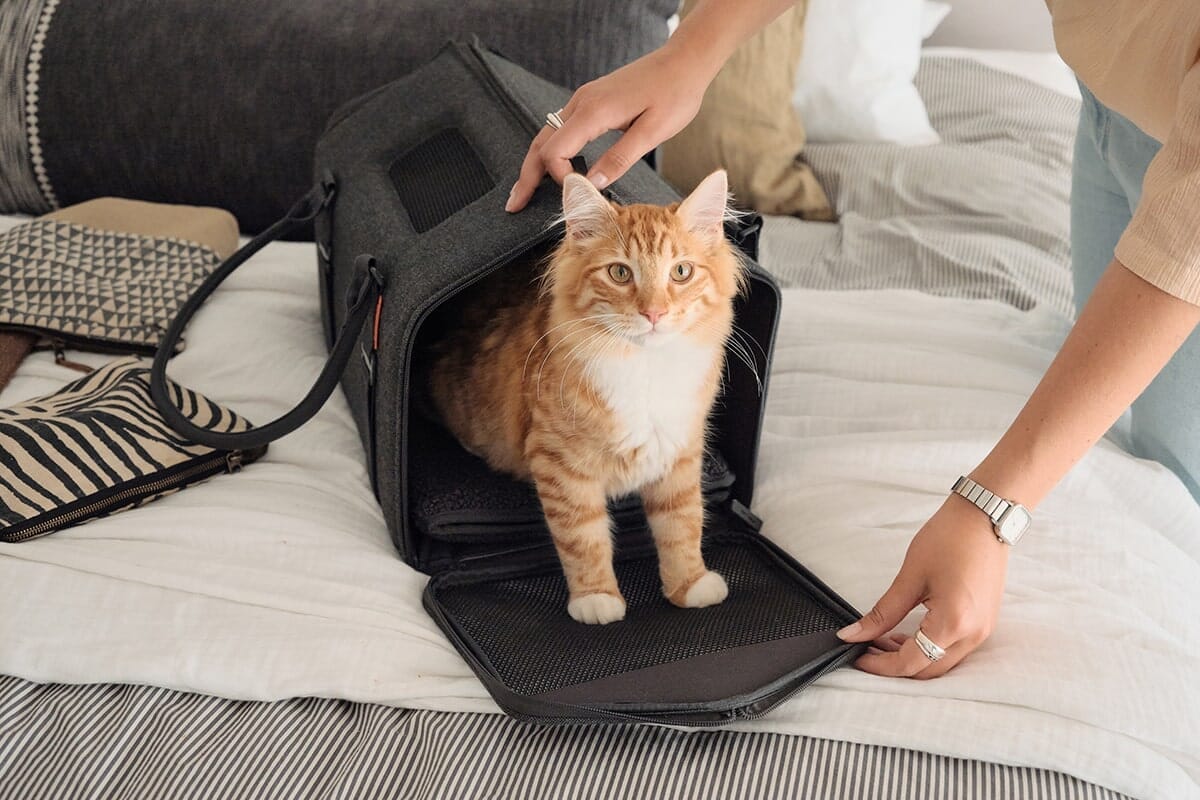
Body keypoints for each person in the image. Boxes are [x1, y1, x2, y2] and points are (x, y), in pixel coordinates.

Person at [507, 0, 1200, 679]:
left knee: (1177, 471)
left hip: (1186, 154)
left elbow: (1184, 244)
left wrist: (992, 508)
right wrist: (689, 55)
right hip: (1114, 92)